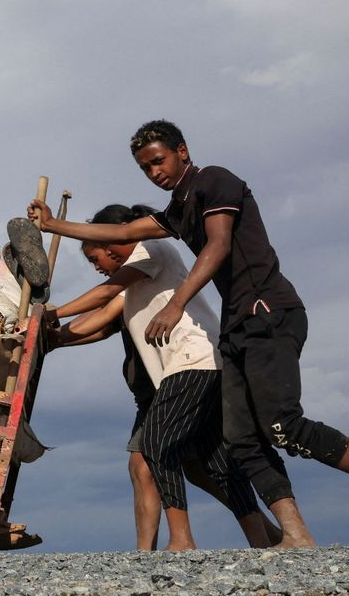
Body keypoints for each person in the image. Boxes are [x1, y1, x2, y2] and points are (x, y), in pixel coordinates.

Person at [30, 121, 349, 546]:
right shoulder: (179, 209)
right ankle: (294, 536)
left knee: (283, 425)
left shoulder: (215, 181)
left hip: (270, 311)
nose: (154, 172)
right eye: (146, 168)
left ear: (182, 151)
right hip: (237, 327)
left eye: (159, 161)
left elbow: (217, 244)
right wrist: (55, 226)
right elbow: (125, 232)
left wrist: (177, 301)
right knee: (241, 440)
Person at [48, 204, 275, 550]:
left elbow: (106, 293)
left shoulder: (150, 249)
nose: (100, 267)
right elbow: (103, 317)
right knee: (215, 462)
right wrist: (53, 338)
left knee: (155, 446)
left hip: (191, 361)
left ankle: (181, 540)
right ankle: (261, 539)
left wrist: (49, 312)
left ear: (113, 242)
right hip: (194, 366)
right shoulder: (135, 279)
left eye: (98, 258)